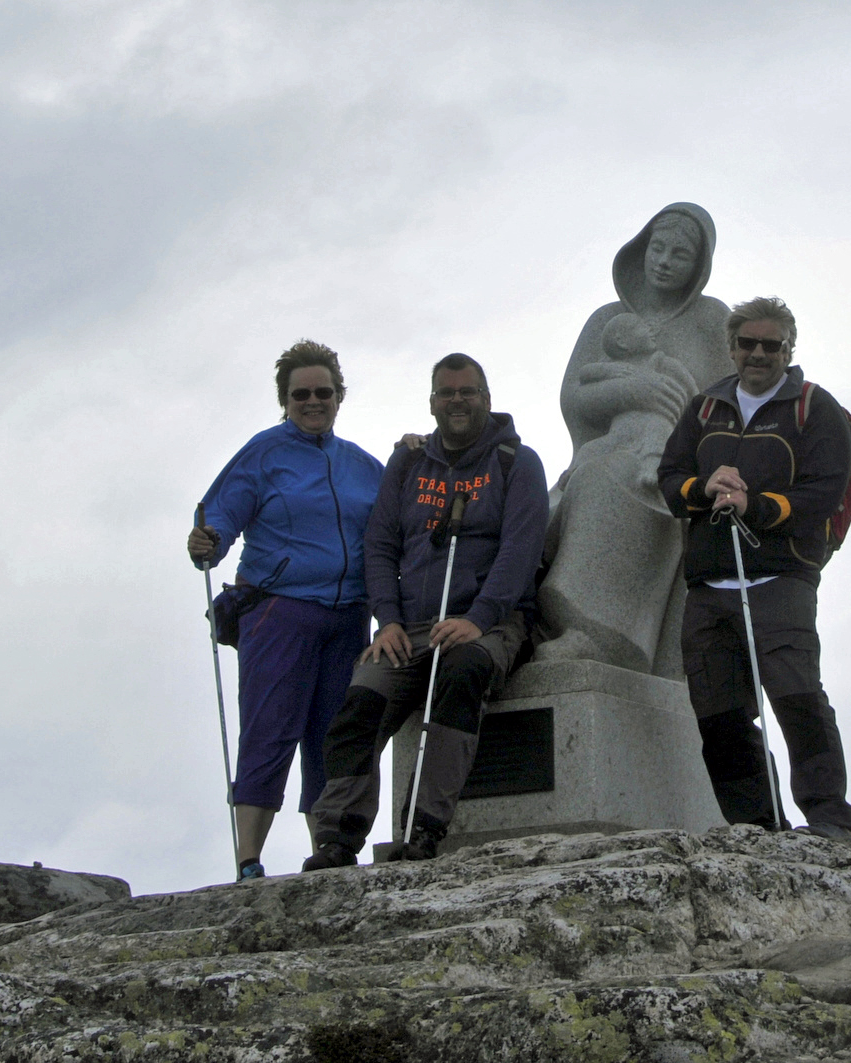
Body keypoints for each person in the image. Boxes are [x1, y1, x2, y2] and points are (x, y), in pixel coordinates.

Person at [304, 353, 548, 867]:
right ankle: (338, 837)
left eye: (467, 391)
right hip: (408, 625)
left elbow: (520, 551)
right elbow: (380, 546)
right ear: (431, 401)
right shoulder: (409, 464)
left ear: (487, 398)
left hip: (489, 623)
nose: (456, 400)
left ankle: (423, 828)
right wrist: (386, 620)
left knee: (460, 676)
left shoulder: (516, 462)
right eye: (446, 392)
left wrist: (478, 619)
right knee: (360, 703)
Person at [656, 297, 851, 839]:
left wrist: (757, 506)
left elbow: (823, 491)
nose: (759, 354)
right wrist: (705, 488)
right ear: (731, 347)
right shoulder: (704, 408)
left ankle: (828, 818)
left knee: (797, 697)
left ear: (789, 349)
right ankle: (756, 823)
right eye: (748, 343)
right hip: (708, 584)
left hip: (781, 578)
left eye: (772, 345)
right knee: (719, 716)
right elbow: (670, 478)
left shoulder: (815, 408)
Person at [187, 340, 385, 880]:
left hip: (349, 619)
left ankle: (326, 853)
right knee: (269, 730)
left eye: (323, 392)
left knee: (332, 739)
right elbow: (222, 512)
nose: (313, 401)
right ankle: (249, 860)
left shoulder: (367, 467)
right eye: (301, 394)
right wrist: (209, 539)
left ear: (340, 396)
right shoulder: (264, 453)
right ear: (285, 399)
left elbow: (396, 525)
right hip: (279, 612)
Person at [536, 203, 729, 676]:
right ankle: (533, 622)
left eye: (679, 254)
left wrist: (678, 412)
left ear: (698, 266)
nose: (664, 261)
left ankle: (602, 635)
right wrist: (635, 389)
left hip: (677, 468)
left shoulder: (711, 320)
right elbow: (573, 396)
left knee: (621, 480)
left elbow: (727, 407)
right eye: (657, 248)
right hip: (600, 451)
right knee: (554, 499)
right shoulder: (606, 320)